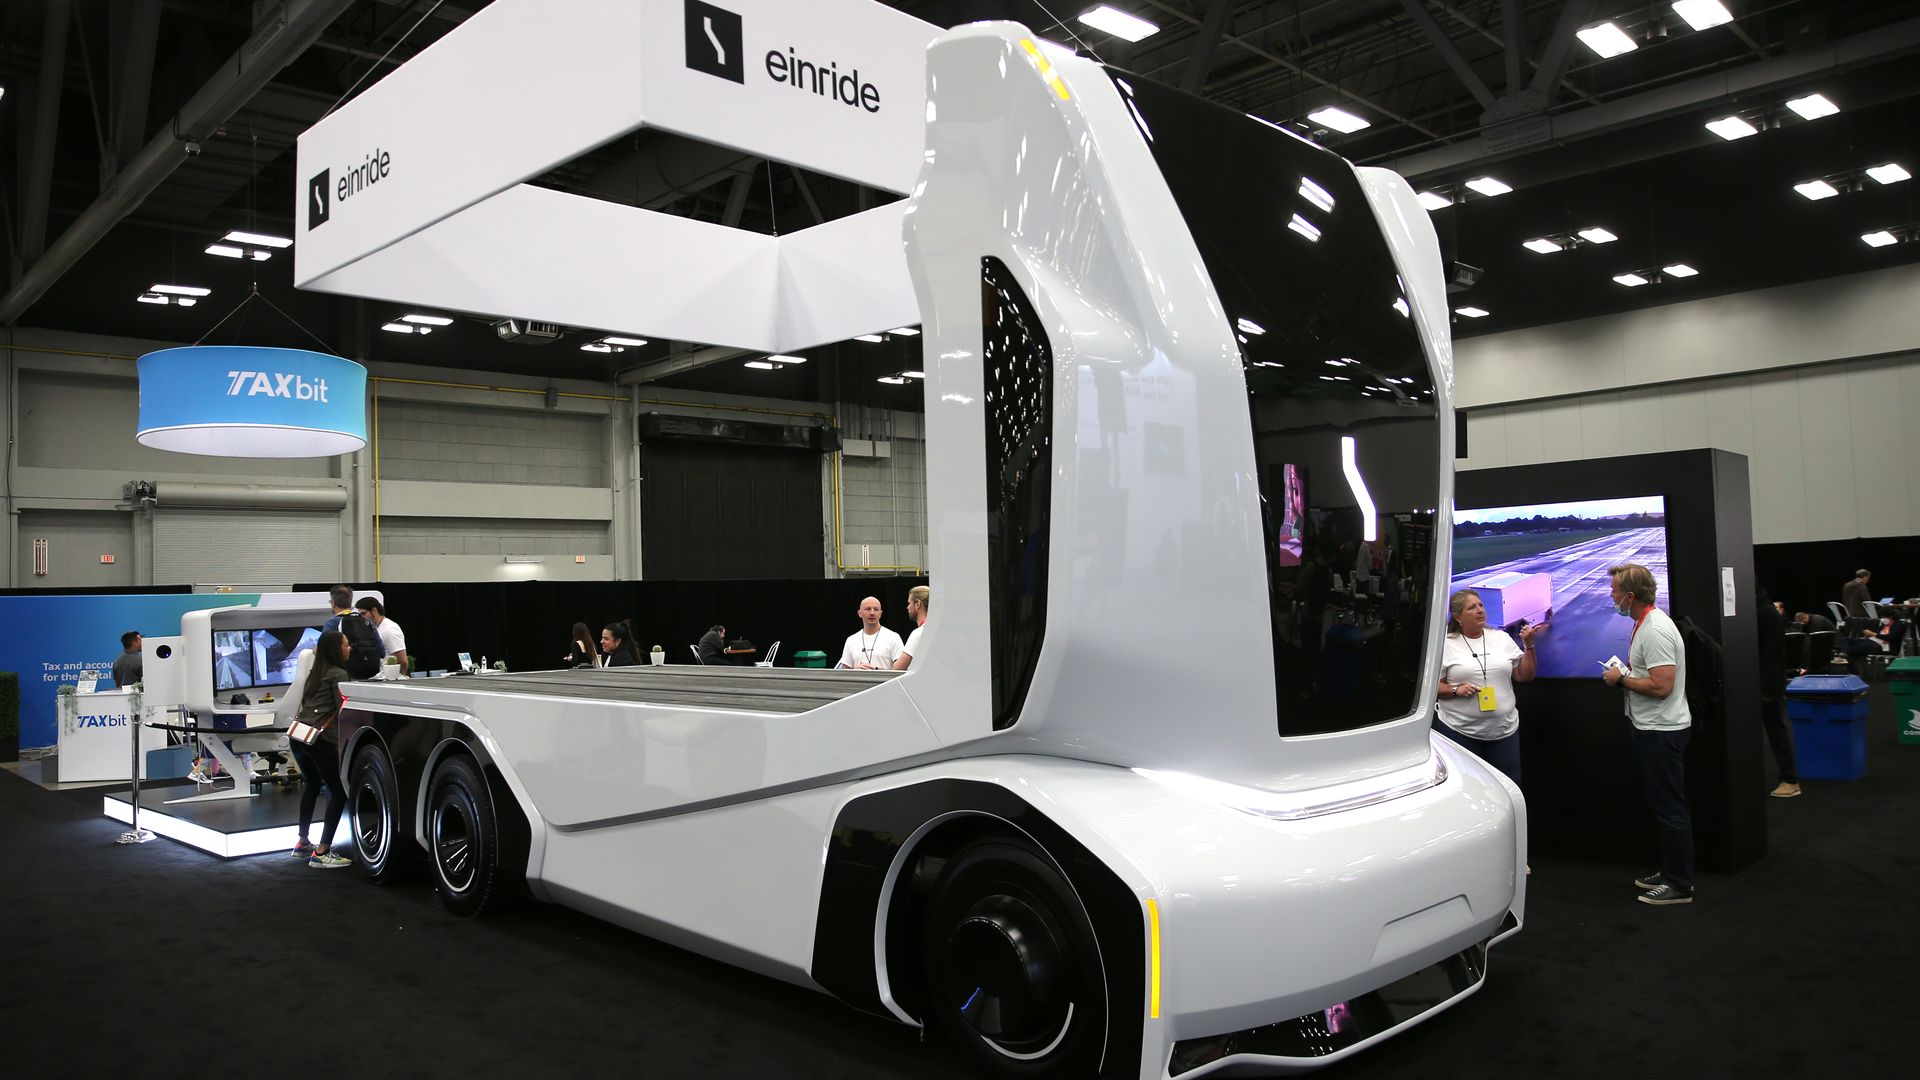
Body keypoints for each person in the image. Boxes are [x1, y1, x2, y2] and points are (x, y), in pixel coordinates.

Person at [1601, 563, 1693, 906]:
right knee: (1662, 804)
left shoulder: (1654, 630)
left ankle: (1680, 883)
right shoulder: (1646, 623)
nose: (1611, 597)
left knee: (1670, 807)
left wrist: (1620, 679)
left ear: (1630, 596)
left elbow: (1661, 686)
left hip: (1661, 731)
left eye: (1614, 591)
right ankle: (1671, 871)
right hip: (1651, 728)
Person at [1433, 589, 1539, 786]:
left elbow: (1525, 675)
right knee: (1467, 788)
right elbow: (1431, 688)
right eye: (1472, 607)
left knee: (1509, 787)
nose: (1480, 610)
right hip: (1459, 732)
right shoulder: (1446, 645)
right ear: (1457, 617)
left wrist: (1529, 647)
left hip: (1504, 732)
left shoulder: (1501, 639)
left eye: (1481, 605)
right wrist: (1456, 690)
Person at [289, 629, 353, 869]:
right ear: (337, 649)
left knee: (312, 785)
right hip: (321, 741)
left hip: (300, 738)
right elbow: (344, 710)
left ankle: (302, 841)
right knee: (337, 791)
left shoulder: (314, 674)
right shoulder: (339, 674)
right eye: (346, 644)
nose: (349, 648)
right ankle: (323, 851)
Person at [1755, 589, 1799, 798]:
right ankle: (1788, 778)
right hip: (1768, 683)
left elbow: (1770, 654)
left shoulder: (1763, 613)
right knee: (1775, 732)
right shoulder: (1766, 611)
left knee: (1776, 732)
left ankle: (1790, 780)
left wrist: (1769, 689)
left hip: (1767, 686)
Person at [322, 585, 383, 679]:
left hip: (345, 676)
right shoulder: (366, 622)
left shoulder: (333, 623)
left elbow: (322, 652)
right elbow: (381, 651)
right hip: (370, 675)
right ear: (350, 602)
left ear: (333, 603)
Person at [838, 597, 904, 669]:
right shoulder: (851, 640)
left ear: (880, 614)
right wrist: (856, 670)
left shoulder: (893, 637)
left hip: (886, 680)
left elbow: (901, 670)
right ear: (859, 613)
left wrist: (876, 670)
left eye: (876, 609)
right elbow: (844, 673)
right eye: (868, 609)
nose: (872, 613)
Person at [354, 597, 408, 675]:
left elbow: (403, 661)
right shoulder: (374, 628)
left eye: (363, 613)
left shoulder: (389, 629)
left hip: (389, 680)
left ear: (374, 610)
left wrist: (397, 678)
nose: (361, 617)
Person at [893, 586, 930, 670]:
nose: (907, 607)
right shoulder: (941, 631)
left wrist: (876, 669)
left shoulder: (919, 633)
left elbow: (897, 668)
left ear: (917, 604)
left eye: (909, 603)